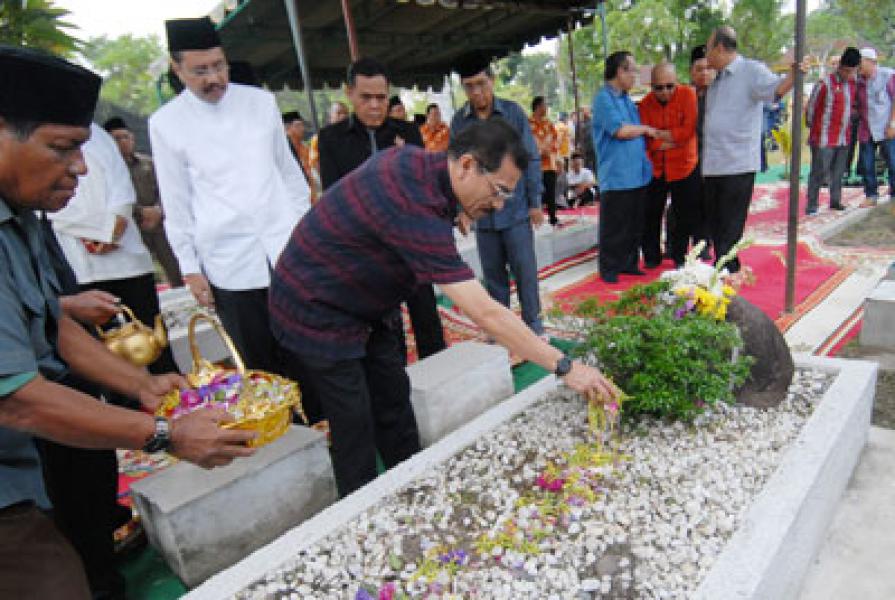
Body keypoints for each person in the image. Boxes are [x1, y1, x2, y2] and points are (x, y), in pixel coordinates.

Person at [0, 44, 255, 600]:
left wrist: (141, 386)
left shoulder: (20, 215)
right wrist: (165, 433)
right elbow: (16, 397)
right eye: (62, 149)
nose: (82, 168)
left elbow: (52, 326)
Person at [270, 119, 621, 496]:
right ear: (467, 165)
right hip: (316, 306)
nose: (500, 205)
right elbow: (485, 312)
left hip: (367, 304)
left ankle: (411, 491)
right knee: (354, 422)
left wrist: (464, 210)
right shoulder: (413, 203)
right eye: (498, 192)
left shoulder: (424, 168)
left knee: (394, 401)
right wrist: (564, 366)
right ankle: (362, 513)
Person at [149, 17, 311, 375]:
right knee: (258, 360)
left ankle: (324, 424)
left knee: (308, 348)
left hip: (285, 245)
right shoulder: (165, 124)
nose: (214, 79)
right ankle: (289, 431)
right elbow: (175, 202)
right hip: (227, 259)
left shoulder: (260, 103)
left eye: (219, 65)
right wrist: (189, 268)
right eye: (200, 71)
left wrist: (302, 228)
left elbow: (289, 173)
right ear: (177, 69)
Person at [317, 58, 446, 361]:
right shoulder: (331, 140)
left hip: (411, 242)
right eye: (366, 98)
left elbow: (424, 186)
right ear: (349, 93)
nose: (375, 106)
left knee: (425, 311)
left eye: (381, 97)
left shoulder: (408, 133)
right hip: (368, 249)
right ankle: (397, 380)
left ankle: (439, 367)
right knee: (385, 326)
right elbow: (335, 199)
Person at [47, 122, 180, 381]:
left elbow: (122, 188)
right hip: (80, 264)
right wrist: (98, 230)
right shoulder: (32, 140)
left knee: (155, 344)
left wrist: (114, 226)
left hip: (126, 259)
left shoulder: (97, 134)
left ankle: (182, 406)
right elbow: (45, 206)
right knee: (107, 356)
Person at [450, 53, 546, 338]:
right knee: (493, 277)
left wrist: (535, 202)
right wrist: (463, 210)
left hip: (515, 210)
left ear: (491, 81)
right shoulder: (459, 122)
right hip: (483, 215)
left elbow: (530, 157)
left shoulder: (513, 113)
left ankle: (534, 327)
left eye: (481, 83)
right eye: (469, 86)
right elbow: (457, 169)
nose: (476, 92)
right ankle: (502, 331)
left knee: (525, 272)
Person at [703, 25, 800, 273]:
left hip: (738, 161)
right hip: (714, 161)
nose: (706, 54)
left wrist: (794, 75)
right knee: (715, 220)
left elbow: (776, 90)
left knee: (731, 221)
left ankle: (726, 267)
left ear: (721, 48)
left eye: (708, 48)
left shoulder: (751, 71)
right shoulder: (717, 78)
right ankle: (725, 262)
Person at [592, 50, 656, 283]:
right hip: (617, 175)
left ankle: (629, 262)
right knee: (615, 225)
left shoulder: (626, 99)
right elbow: (620, 130)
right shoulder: (603, 99)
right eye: (632, 70)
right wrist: (647, 129)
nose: (635, 75)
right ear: (620, 71)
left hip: (637, 173)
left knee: (634, 223)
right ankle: (609, 267)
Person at [103, 116, 183, 288]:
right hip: (131, 226)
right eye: (117, 138)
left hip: (159, 222)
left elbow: (168, 188)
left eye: (126, 137)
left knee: (175, 265)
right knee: (141, 272)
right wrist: (139, 213)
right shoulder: (106, 170)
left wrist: (158, 210)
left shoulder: (149, 163)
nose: (123, 142)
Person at [638, 62, 699, 268]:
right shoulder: (645, 104)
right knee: (650, 214)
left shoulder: (688, 95)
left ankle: (680, 256)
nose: (664, 91)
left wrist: (661, 136)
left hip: (685, 166)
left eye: (669, 86)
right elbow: (648, 139)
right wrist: (672, 138)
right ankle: (652, 257)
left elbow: (689, 131)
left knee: (684, 215)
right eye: (658, 87)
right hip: (656, 169)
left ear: (677, 82)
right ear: (651, 86)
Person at [805, 47, 861, 215]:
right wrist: (813, 128)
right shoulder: (824, 83)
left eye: (852, 72)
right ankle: (812, 205)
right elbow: (811, 109)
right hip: (823, 138)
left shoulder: (852, 84)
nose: (848, 75)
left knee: (839, 172)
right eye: (846, 71)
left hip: (844, 137)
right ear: (840, 67)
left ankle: (835, 201)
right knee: (819, 172)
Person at [856, 47, 895, 206]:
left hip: (887, 127)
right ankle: (871, 195)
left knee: (893, 162)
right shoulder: (858, 80)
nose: (859, 66)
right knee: (867, 164)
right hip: (866, 128)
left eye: (861, 63)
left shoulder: (888, 75)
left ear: (871, 62)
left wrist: (892, 124)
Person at [689, 44, 716, 258]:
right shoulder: (684, 96)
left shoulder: (720, 94)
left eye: (708, 68)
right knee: (690, 201)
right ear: (691, 72)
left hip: (716, 155)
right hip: (689, 156)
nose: (704, 73)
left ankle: (706, 242)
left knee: (712, 201)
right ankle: (685, 242)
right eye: (699, 69)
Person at [529, 96, 560, 226]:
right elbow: (526, 142)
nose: (546, 108)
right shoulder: (527, 123)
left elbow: (556, 140)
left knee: (551, 192)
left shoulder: (549, 124)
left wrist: (551, 151)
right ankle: (535, 218)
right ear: (538, 107)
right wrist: (539, 151)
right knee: (534, 192)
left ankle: (553, 217)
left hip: (549, 164)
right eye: (545, 105)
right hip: (533, 165)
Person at [282, 110, 318, 204]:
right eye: (298, 125)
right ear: (287, 129)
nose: (302, 128)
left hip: (310, 198)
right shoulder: (283, 153)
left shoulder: (306, 150)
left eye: (302, 125)